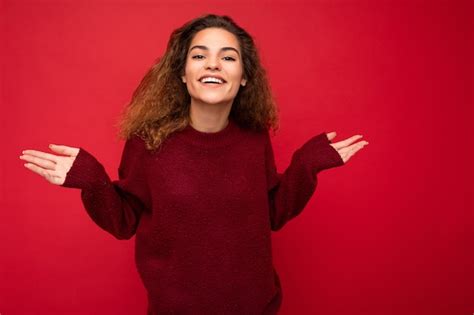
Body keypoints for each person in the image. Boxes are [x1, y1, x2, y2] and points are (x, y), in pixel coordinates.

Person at [19, 13, 368, 315]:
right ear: (183, 74)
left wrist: (306, 165)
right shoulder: (148, 140)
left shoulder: (253, 137)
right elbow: (125, 221)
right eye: (199, 55)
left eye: (228, 57)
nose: (213, 64)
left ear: (245, 77)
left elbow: (271, 214)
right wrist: (92, 180)